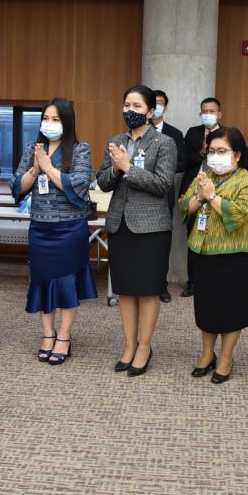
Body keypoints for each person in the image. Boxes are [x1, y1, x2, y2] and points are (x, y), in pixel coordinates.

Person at [96, 84, 177, 377]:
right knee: (125, 290)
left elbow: (163, 184)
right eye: (127, 105)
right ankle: (129, 345)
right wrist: (116, 169)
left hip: (151, 227)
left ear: (151, 112)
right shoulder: (116, 140)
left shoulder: (164, 143)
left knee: (147, 290)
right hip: (120, 224)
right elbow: (103, 181)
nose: (130, 111)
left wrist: (129, 168)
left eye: (137, 106)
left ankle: (144, 346)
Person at [13, 97, 96, 365]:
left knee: (67, 283)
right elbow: (17, 186)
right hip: (40, 228)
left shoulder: (80, 149)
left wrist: (48, 168)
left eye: (56, 119)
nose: (49, 124)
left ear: (67, 122)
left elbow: (80, 187)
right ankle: (48, 334)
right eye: (46, 119)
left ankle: (64, 336)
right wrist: (35, 169)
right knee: (42, 281)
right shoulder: (33, 148)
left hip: (70, 229)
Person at [179, 127, 248, 383]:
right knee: (206, 307)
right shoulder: (204, 176)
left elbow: (238, 214)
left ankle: (225, 358)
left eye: (222, 151)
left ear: (237, 154)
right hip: (203, 251)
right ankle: (206, 354)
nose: (216, 156)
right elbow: (183, 204)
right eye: (212, 151)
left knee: (231, 309)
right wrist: (199, 197)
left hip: (234, 255)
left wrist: (211, 196)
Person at [179, 97, 223, 297]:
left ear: (219, 114)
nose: (208, 115)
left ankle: (211, 280)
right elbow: (183, 161)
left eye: (212, 111)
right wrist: (201, 153)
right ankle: (192, 282)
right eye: (204, 111)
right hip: (194, 191)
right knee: (192, 237)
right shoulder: (193, 133)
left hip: (216, 192)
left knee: (214, 236)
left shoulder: (226, 134)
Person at [152, 89, 187, 303]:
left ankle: (161, 284)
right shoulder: (135, 131)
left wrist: (161, 168)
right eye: (153, 102)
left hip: (164, 193)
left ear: (165, 107)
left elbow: (182, 162)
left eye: (160, 103)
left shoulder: (174, 133)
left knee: (162, 241)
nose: (156, 106)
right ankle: (143, 282)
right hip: (138, 194)